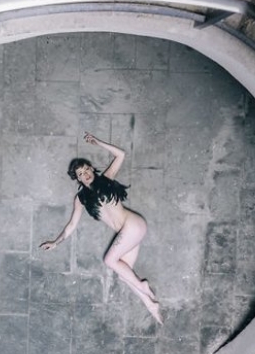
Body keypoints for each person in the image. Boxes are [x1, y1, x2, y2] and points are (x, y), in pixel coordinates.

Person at [39, 132, 162, 324]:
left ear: (92, 170)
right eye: (80, 174)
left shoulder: (106, 178)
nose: (85, 174)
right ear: (78, 179)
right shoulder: (80, 199)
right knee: (124, 274)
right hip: (127, 233)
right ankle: (149, 303)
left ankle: (143, 286)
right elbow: (71, 225)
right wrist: (56, 242)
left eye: (87, 170)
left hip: (133, 225)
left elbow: (120, 155)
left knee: (109, 260)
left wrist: (97, 142)